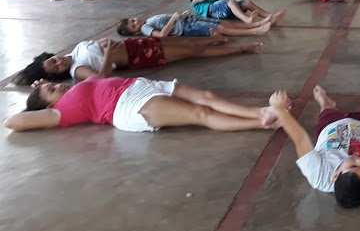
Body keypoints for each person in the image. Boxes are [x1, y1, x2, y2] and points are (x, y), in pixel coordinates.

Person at [4, 76, 288, 134]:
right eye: (52, 90)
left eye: (54, 84)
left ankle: (260, 111)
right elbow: (12, 122)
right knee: (201, 113)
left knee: (207, 96)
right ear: (48, 106)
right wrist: (37, 108)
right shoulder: (60, 112)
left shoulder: (73, 90)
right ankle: (259, 122)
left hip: (139, 84)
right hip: (128, 105)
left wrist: (41, 86)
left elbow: (97, 77)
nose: (59, 86)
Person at [12, 36, 263, 85]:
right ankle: (243, 48)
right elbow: (102, 78)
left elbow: (99, 45)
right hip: (136, 57)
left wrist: (105, 43)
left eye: (53, 60)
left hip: (135, 44)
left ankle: (216, 38)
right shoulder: (77, 69)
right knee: (191, 52)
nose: (59, 63)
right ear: (57, 74)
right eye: (55, 67)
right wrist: (108, 54)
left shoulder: (77, 49)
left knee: (186, 41)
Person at [117, 9, 286, 38]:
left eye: (132, 20)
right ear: (135, 32)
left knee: (225, 24)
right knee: (221, 28)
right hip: (187, 27)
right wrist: (174, 19)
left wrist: (180, 16)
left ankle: (257, 24)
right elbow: (162, 35)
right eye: (133, 25)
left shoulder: (147, 21)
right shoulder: (145, 28)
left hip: (187, 20)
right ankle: (254, 31)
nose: (136, 21)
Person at [189, 0, 275, 23]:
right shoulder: (195, 4)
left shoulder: (215, 0)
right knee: (230, 1)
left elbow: (223, 2)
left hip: (225, 9)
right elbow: (196, 0)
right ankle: (247, 20)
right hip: (213, 10)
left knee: (247, 3)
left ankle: (270, 16)